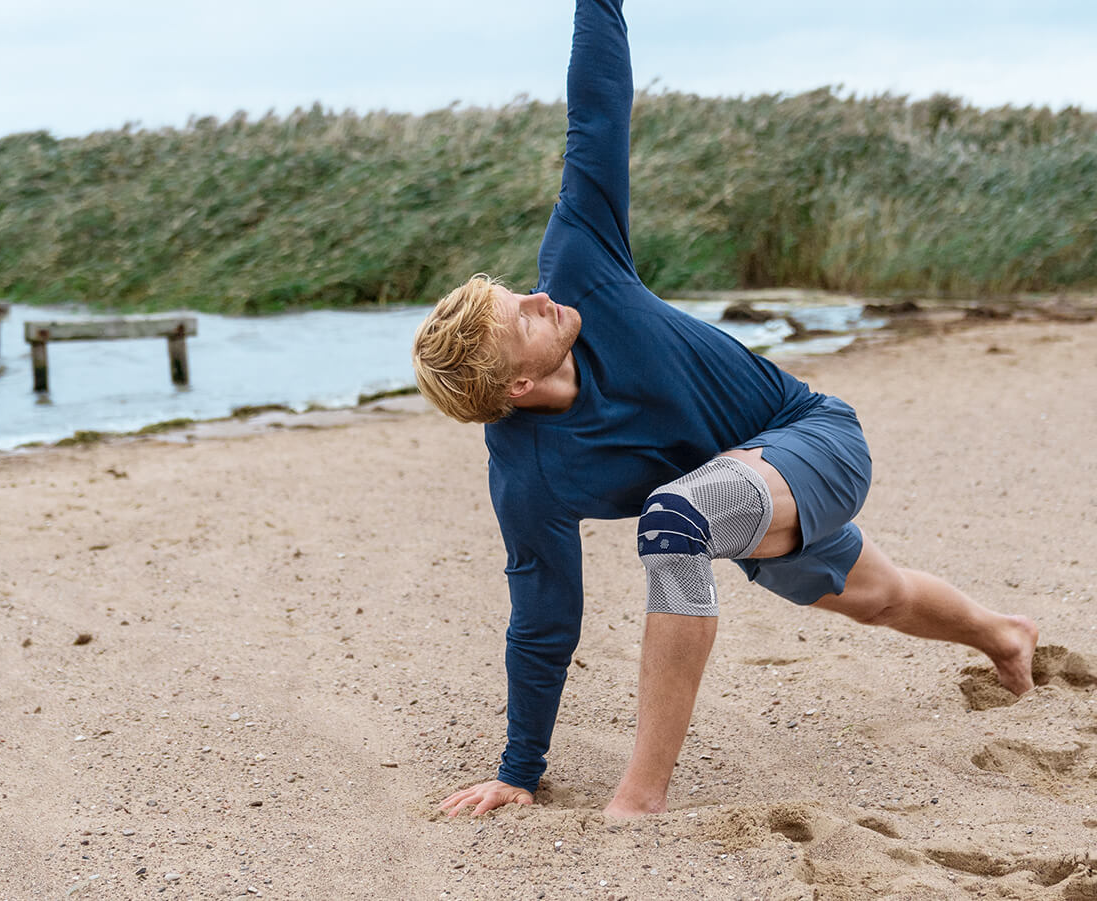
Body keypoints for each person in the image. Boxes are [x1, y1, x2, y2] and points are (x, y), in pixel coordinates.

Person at [414, 0, 1038, 820]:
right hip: (736, 498)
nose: (538, 297)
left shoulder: (580, 264)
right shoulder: (527, 475)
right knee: (880, 595)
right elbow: (542, 622)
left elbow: (595, 113)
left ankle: (640, 797)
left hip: (813, 437)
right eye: (520, 317)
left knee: (672, 521)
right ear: (516, 389)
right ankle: (1004, 633)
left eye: (520, 294)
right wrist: (518, 770)